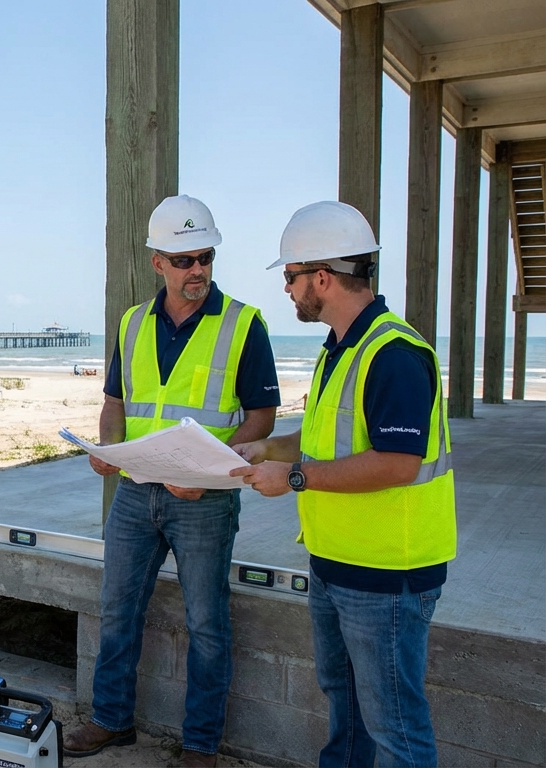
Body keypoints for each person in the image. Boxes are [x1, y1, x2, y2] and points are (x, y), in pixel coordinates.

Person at [231, 201, 454, 767]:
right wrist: (270, 448)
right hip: (338, 564)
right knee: (348, 710)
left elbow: (397, 462)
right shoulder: (342, 345)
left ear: (323, 278)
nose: (286, 289)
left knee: (395, 727)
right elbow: (332, 434)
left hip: (388, 574)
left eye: (290, 276)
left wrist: (295, 477)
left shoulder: (394, 352)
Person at [69, 195, 280, 767]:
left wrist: (212, 472)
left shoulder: (244, 324)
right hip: (137, 493)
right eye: (184, 260)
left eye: (205, 257)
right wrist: (107, 447)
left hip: (203, 500)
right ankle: (111, 721)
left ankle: (200, 746)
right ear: (158, 262)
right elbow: (116, 402)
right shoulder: (134, 323)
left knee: (207, 623)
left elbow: (261, 417)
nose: (198, 271)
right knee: (117, 608)